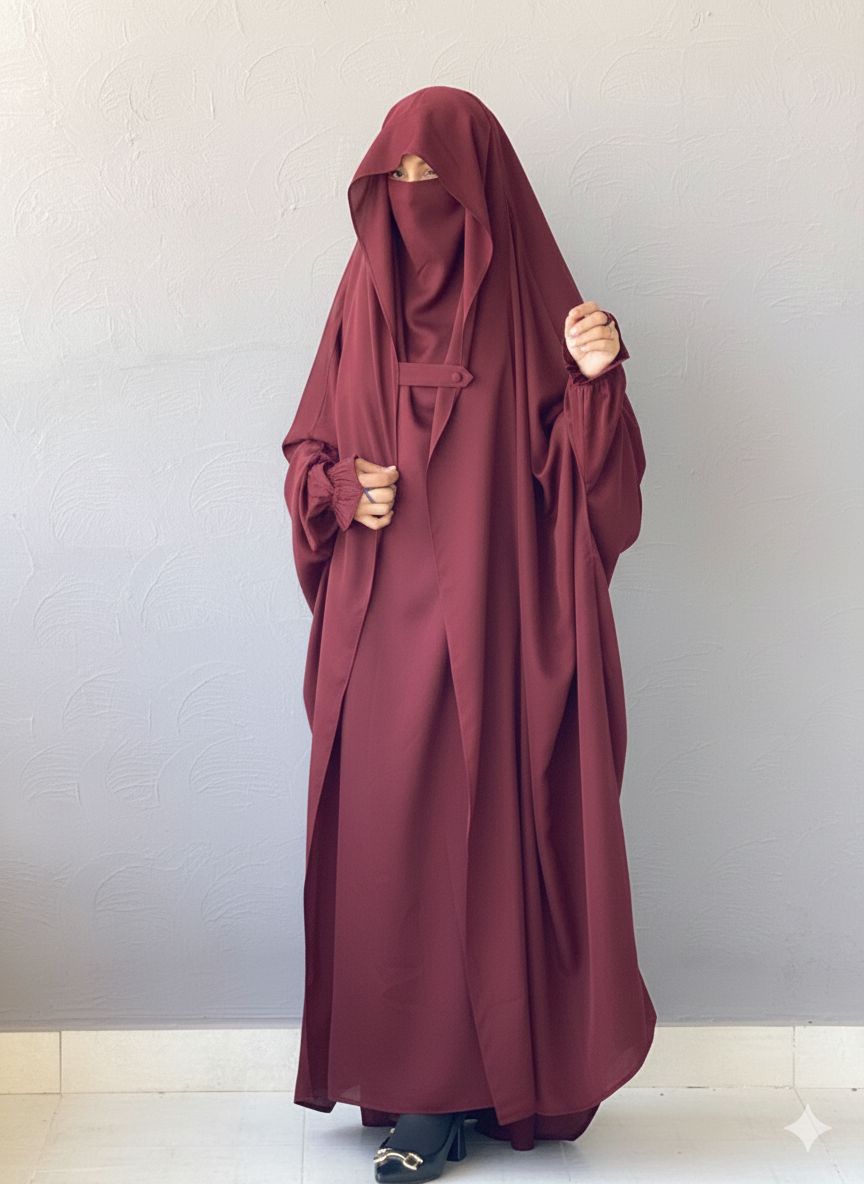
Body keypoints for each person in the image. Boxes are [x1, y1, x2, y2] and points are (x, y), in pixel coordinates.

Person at [281, 86, 657, 1182]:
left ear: (484, 193)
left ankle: (485, 1084)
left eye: (436, 182)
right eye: (398, 181)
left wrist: (596, 380)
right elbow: (307, 447)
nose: (417, 202)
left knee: (490, 835)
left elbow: (590, 488)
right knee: (395, 844)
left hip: (500, 623)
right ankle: (415, 1083)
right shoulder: (361, 302)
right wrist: (341, 490)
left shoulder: (536, 304)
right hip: (382, 629)